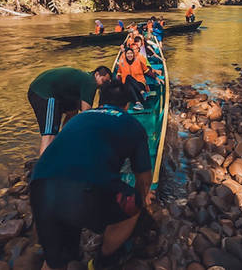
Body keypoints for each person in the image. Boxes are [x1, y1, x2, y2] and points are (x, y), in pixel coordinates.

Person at [30, 79, 153, 270]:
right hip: (84, 192)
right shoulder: (131, 123)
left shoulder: (80, 117)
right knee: (133, 202)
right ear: (126, 105)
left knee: (55, 261)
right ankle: (102, 262)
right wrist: (142, 202)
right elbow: (144, 180)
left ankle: (58, 258)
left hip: (39, 187)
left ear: (100, 102)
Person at [28, 66, 113, 155]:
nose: (103, 85)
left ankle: (63, 142)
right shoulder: (90, 82)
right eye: (103, 81)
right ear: (97, 74)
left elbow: (80, 109)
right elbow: (86, 113)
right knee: (50, 134)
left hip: (53, 93)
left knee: (73, 111)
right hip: (42, 91)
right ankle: (43, 164)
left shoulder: (86, 79)